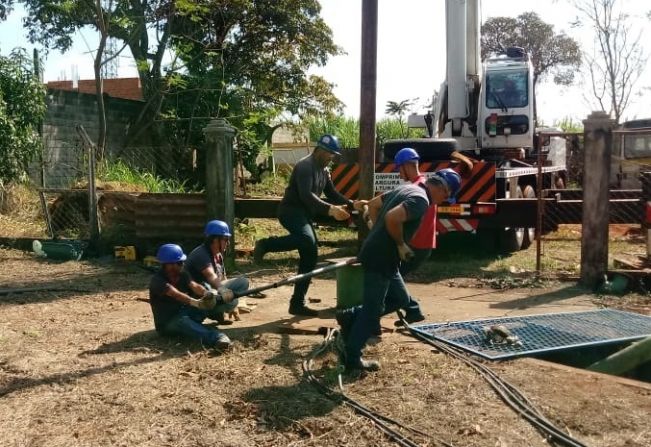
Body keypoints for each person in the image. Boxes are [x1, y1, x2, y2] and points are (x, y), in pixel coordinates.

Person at [337, 169, 461, 372]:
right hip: (382, 257)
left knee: (402, 299)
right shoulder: (420, 200)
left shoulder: (408, 187)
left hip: (381, 253)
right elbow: (393, 218)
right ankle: (352, 358)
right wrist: (401, 244)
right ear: (440, 187)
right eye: (446, 196)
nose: (444, 200)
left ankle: (350, 316)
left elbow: (374, 204)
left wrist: (378, 237)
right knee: (372, 311)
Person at [254, 134, 366, 316]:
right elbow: (307, 196)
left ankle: (296, 304)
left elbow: (332, 194)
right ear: (320, 150)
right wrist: (331, 210)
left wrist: (352, 204)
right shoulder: (305, 166)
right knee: (307, 240)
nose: (332, 157)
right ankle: (266, 244)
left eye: (333, 155)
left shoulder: (324, 170)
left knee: (310, 255)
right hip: (290, 212)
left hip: (305, 215)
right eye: (330, 154)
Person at [148, 243, 233, 349]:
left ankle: (214, 316)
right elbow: (176, 294)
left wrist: (207, 293)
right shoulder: (158, 281)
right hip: (168, 323)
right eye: (179, 262)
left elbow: (194, 285)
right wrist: (196, 303)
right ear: (169, 265)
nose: (183, 264)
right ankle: (216, 338)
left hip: (184, 312)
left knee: (212, 301)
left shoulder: (182, 273)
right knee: (184, 322)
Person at [185, 220, 250, 322]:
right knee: (235, 297)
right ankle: (214, 311)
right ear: (215, 239)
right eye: (225, 239)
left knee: (243, 283)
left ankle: (217, 312)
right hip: (199, 299)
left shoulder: (218, 254)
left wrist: (230, 300)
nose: (228, 243)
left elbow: (222, 278)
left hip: (213, 294)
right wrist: (223, 291)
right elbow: (211, 275)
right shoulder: (201, 254)